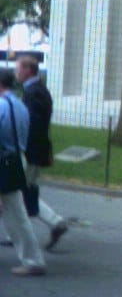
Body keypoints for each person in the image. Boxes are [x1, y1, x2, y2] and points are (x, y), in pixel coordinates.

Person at [15, 56, 68, 251]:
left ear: (28, 70)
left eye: (18, 69)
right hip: (34, 150)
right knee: (24, 192)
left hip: (29, 151)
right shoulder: (35, 91)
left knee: (16, 193)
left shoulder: (34, 93)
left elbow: (31, 125)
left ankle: (48, 226)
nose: (15, 73)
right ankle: (54, 223)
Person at [0, 68, 46, 275]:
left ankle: (33, 260)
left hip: (4, 161)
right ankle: (32, 259)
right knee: (15, 212)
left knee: (15, 213)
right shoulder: (19, 105)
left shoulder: (1, 106)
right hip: (16, 159)